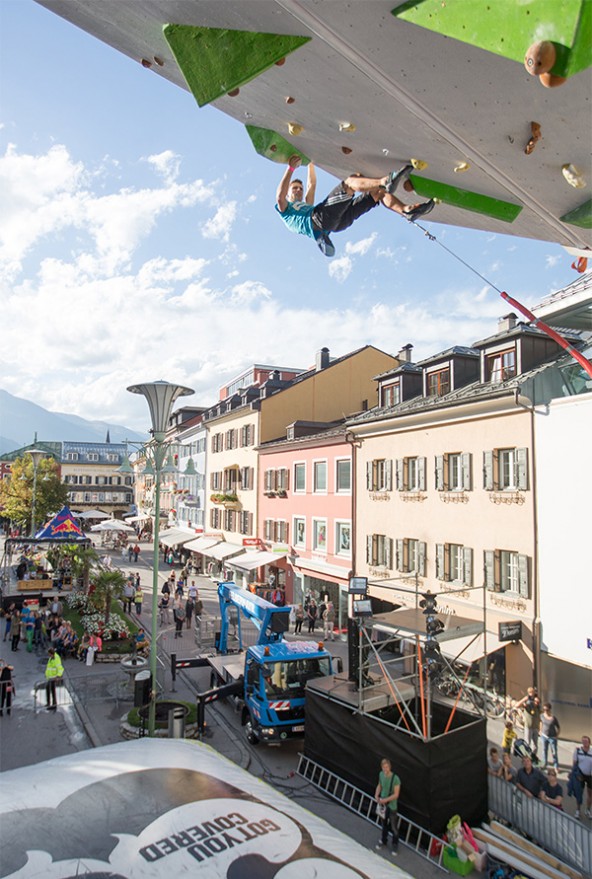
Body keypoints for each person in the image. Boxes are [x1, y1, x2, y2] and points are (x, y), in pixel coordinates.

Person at [276, 155, 435, 258]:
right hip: (319, 220)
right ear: (289, 193)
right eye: (295, 188)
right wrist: (290, 168)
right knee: (350, 183)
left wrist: (310, 161)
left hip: (336, 224)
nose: (298, 190)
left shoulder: (305, 205)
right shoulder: (286, 210)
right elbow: (279, 197)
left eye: (299, 188)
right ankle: (385, 181)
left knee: (376, 193)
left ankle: (406, 211)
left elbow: (311, 184)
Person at [374, 757, 400, 856]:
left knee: (393, 827)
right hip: (383, 804)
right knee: (384, 824)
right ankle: (383, 840)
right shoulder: (381, 774)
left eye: (386, 767)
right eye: (383, 767)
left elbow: (396, 794)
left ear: (389, 767)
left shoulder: (395, 778)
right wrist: (376, 795)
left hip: (392, 806)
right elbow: (379, 785)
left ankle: (395, 844)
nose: (385, 769)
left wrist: (385, 799)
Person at [516, 686, 541, 758]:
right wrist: (525, 699)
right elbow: (517, 705)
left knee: (535, 745)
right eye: (530, 693)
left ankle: (533, 757)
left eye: (532, 693)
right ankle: (526, 757)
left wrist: (540, 728)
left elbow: (540, 715)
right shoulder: (528, 703)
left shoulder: (537, 704)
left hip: (535, 727)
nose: (531, 695)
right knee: (527, 743)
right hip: (529, 726)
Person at [572, 735, 592, 819]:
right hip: (580, 775)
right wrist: (574, 773)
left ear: (589, 742)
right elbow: (574, 763)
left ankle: (588, 810)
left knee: (590, 794)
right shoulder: (577, 751)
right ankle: (578, 810)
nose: (584, 743)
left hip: (590, 775)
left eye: (586, 741)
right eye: (583, 741)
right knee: (579, 793)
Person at [540, 702, 560, 771]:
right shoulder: (542, 716)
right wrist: (540, 731)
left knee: (554, 752)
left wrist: (557, 735)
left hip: (552, 737)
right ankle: (544, 764)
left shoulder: (553, 718)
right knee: (544, 750)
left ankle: (556, 766)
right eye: (544, 710)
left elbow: (558, 727)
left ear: (550, 710)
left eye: (547, 710)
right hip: (544, 736)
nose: (545, 711)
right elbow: (541, 722)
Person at [45, 647, 64, 711]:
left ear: (51, 653)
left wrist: (58, 676)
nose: (48, 655)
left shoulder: (56, 658)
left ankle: (53, 704)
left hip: (53, 677)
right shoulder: (52, 658)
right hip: (50, 677)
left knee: (51, 690)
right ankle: (50, 703)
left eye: (49, 654)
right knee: (50, 689)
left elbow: (60, 668)